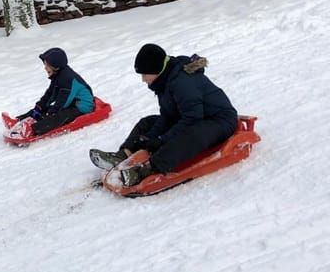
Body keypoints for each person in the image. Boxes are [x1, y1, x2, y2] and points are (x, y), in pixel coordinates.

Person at [89, 43, 237, 186]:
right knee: (147, 123)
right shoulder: (163, 81)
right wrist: (149, 138)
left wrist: (162, 140)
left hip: (219, 120)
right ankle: (123, 155)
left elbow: (192, 119)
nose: (143, 79)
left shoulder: (182, 82)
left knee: (190, 134)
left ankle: (147, 170)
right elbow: (167, 116)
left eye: (145, 74)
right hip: (194, 118)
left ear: (156, 69)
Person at [10, 47, 95, 140]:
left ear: (56, 66)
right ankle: (18, 121)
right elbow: (50, 93)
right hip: (71, 102)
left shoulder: (67, 78)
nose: (45, 68)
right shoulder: (57, 75)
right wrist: (40, 107)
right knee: (44, 109)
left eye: (47, 65)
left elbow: (64, 99)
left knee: (59, 116)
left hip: (82, 106)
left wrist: (52, 112)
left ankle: (32, 129)